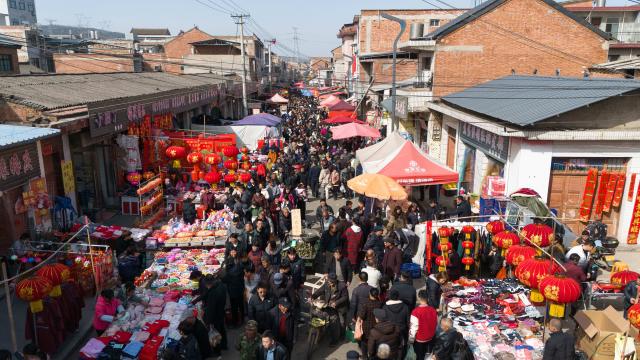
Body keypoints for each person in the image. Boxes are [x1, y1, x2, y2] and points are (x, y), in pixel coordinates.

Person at [311, 273, 349, 345]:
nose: (329, 283)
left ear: (335, 281)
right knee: (332, 321)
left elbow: (345, 297)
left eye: (331, 282)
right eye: (328, 281)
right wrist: (313, 296)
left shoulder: (342, 286)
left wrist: (336, 303)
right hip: (330, 306)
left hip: (341, 307)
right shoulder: (327, 283)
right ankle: (328, 334)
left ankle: (340, 337)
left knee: (342, 323)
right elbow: (320, 291)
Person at [409, 290, 438, 360]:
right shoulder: (433, 310)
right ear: (427, 298)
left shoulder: (415, 312)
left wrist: (411, 340)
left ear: (418, 298)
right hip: (431, 338)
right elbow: (435, 323)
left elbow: (413, 328)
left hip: (420, 340)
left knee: (420, 356)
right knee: (428, 356)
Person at [202, 274, 228, 352]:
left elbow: (211, 309)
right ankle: (224, 345)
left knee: (215, 333)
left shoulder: (213, 293)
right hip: (221, 312)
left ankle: (217, 350)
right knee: (222, 330)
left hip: (215, 316)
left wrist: (208, 321)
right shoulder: (221, 285)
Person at [224, 248, 246, 328]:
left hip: (233, 291)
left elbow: (224, 279)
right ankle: (242, 319)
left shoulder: (228, 272)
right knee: (240, 305)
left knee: (234, 307)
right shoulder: (240, 266)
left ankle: (235, 322)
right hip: (240, 288)